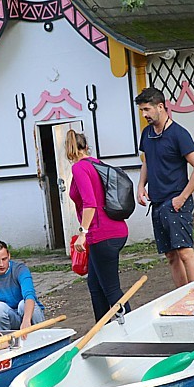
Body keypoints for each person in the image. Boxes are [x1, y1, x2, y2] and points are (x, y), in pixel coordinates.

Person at [134, 87, 194, 288]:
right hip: (157, 203)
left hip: (176, 202)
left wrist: (182, 197)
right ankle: (182, 297)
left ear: (160, 106)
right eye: (141, 110)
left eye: (147, 109)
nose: (144, 115)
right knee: (170, 255)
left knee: (185, 251)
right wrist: (141, 186)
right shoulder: (147, 133)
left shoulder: (178, 134)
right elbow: (147, 161)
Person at [65, 129, 130, 321]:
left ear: (70, 150)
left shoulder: (79, 168)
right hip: (114, 231)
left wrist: (83, 233)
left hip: (102, 234)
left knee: (111, 289)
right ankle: (102, 329)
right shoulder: (97, 164)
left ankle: (133, 327)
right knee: (95, 286)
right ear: (86, 146)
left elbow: (90, 202)